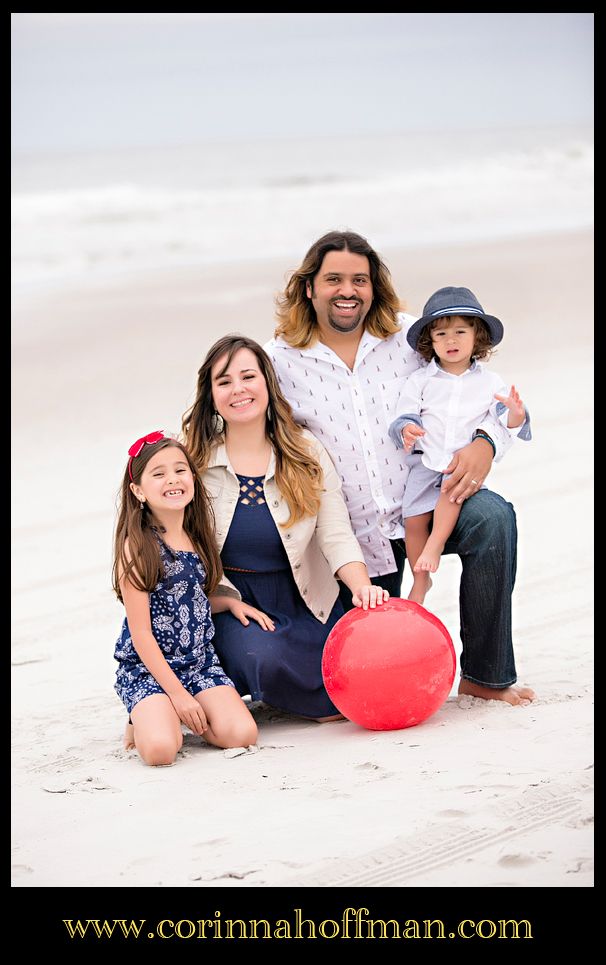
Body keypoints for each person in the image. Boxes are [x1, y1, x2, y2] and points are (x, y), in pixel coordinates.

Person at [265, 230, 535, 706]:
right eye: (334, 279)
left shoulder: (413, 338)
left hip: (430, 500)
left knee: (494, 519)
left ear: (374, 288)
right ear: (309, 288)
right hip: (349, 535)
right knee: (348, 679)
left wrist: (487, 444)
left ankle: (485, 677)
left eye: (359, 280)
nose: (348, 290)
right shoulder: (280, 359)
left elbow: (476, 392)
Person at [181, 334, 389, 722]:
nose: (238, 390)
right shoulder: (192, 458)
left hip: (305, 597)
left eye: (248, 377)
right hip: (233, 603)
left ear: (267, 383)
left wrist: (362, 586)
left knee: (354, 675)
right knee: (264, 656)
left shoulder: (305, 451)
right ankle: (258, 681)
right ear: (210, 395)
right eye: (223, 382)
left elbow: (335, 532)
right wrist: (216, 600)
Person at [113, 431, 261, 765]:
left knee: (242, 734)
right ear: (138, 490)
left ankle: (177, 713)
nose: (173, 479)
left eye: (180, 470)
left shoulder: (197, 537)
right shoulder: (137, 548)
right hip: (150, 668)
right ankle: (144, 718)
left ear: (193, 478)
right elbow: (141, 634)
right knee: (161, 750)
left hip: (198, 663)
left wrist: (228, 603)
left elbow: (189, 600)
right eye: (158, 473)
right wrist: (179, 697)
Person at [387, 286, 531, 606]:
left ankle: (435, 546)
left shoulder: (489, 382)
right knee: (412, 520)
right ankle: (420, 580)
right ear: (430, 341)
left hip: (459, 466)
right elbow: (404, 414)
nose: (450, 341)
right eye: (441, 334)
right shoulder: (421, 380)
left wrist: (516, 413)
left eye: (460, 332)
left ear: (476, 337)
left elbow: (505, 419)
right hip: (426, 462)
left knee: (450, 496)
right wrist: (406, 430)